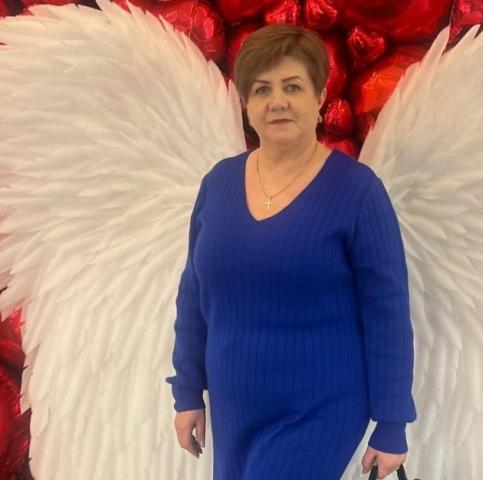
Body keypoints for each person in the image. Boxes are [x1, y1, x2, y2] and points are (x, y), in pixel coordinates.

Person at [165, 23, 417, 480]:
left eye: (292, 87)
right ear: (246, 104)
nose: (277, 101)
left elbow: (387, 313)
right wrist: (187, 391)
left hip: (320, 408)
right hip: (234, 405)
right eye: (262, 89)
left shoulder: (358, 192)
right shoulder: (218, 184)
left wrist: (392, 422)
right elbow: (193, 294)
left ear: (319, 97)